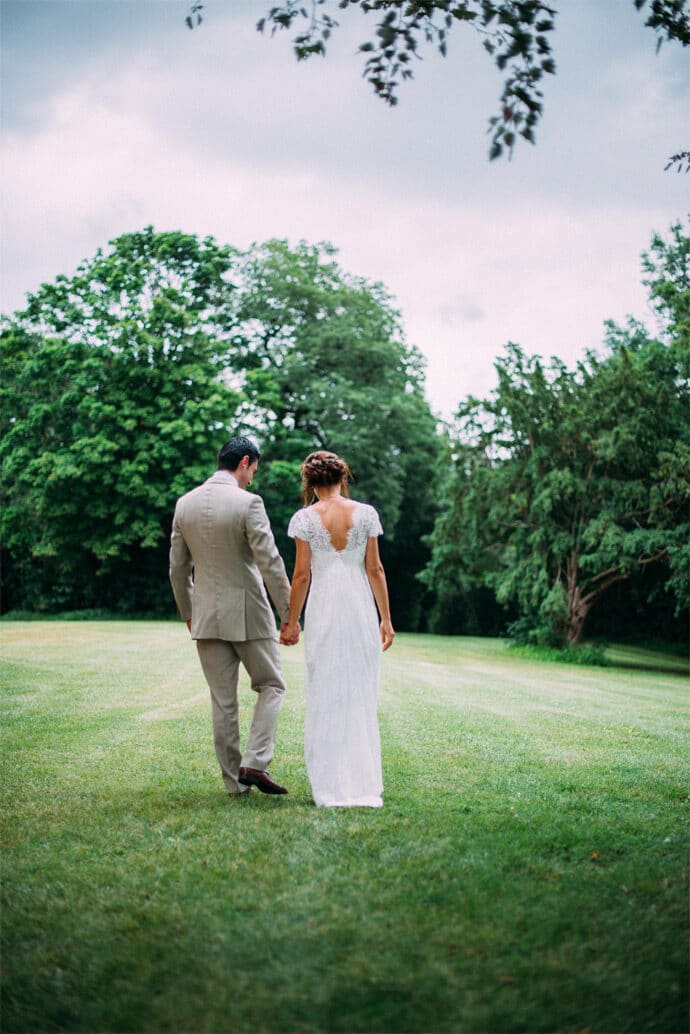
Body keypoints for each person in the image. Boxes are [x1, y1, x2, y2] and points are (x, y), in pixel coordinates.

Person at [169, 436, 298, 796]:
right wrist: (289, 614)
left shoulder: (185, 504)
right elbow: (270, 562)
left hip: (206, 616)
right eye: (253, 470)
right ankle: (255, 764)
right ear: (244, 462)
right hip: (249, 612)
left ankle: (233, 785)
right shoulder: (248, 503)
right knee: (271, 685)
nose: (253, 478)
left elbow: (177, 569)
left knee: (223, 701)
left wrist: (188, 612)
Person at [281, 451, 394, 807]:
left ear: (311, 484)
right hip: (360, 606)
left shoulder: (304, 518)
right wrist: (386, 618)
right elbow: (375, 570)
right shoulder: (366, 514)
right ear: (342, 478)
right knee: (360, 690)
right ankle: (361, 784)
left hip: (325, 607)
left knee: (326, 688)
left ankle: (331, 785)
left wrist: (291, 620)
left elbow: (301, 575)